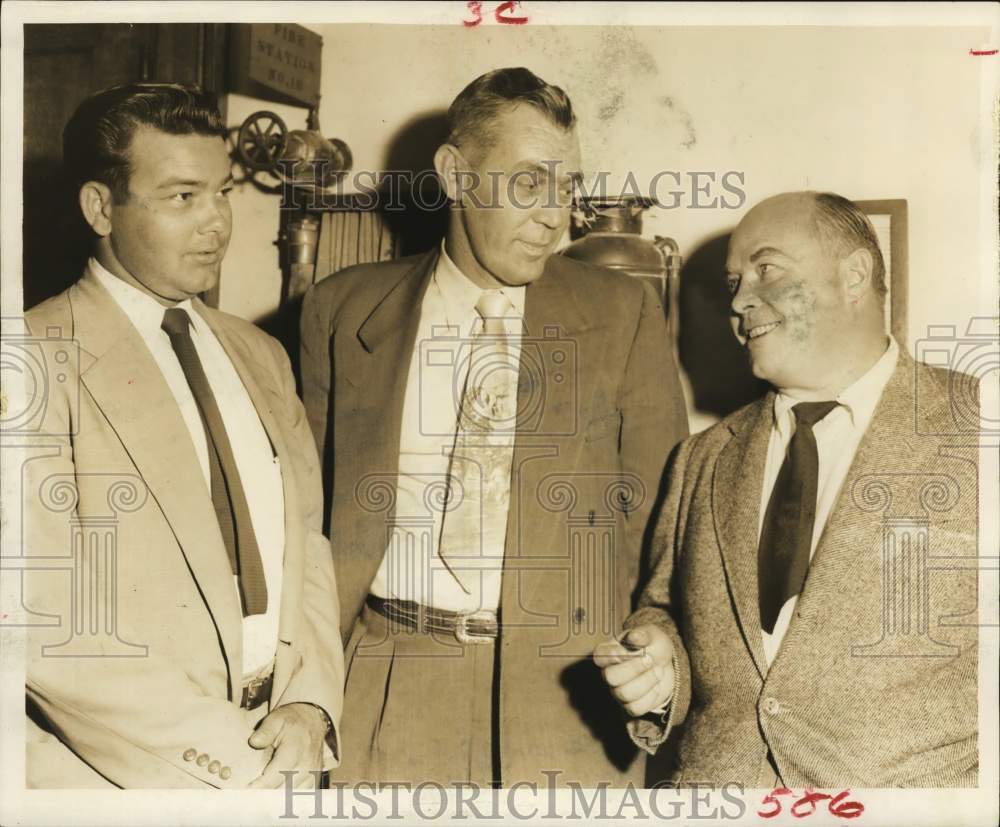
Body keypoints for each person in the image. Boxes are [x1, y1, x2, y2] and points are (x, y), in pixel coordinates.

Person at [299, 67, 688, 787]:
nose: (557, 216)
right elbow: (304, 524)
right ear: (454, 174)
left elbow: (668, 526)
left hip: (568, 699)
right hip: (387, 685)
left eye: (566, 187)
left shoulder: (621, 314)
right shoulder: (340, 311)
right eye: (530, 182)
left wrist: (658, 654)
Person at [594, 191, 979, 787]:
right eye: (734, 282)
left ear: (854, 275)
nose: (741, 300)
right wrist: (659, 664)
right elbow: (665, 609)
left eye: (766, 269)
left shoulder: (977, 426)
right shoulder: (702, 458)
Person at [22, 82, 343, 789]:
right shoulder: (33, 357)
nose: (217, 224)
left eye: (223, 192)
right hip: (128, 773)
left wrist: (311, 702)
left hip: (285, 752)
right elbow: (35, 620)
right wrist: (237, 755)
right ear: (101, 208)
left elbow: (308, 546)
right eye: (182, 197)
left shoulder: (260, 353)